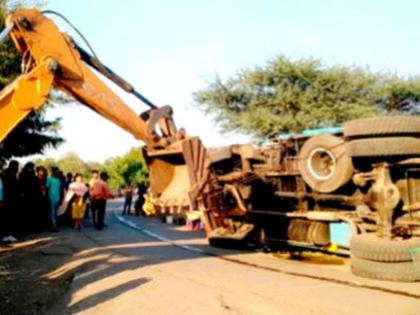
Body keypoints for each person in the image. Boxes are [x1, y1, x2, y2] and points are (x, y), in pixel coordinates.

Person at [2, 160, 20, 242]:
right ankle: (8, 235)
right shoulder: (11, 174)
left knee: (6, 217)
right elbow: (14, 186)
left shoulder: (4, 173)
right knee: (10, 217)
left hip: (6, 198)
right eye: (17, 166)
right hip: (10, 198)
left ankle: (6, 234)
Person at [46, 166, 62, 232]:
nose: (57, 172)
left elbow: (59, 189)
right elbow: (46, 188)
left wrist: (60, 198)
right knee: (52, 213)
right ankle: (54, 227)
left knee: (55, 213)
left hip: (57, 199)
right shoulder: (49, 179)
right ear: (53, 172)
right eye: (56, 171)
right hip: (51, 198)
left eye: (58, 171)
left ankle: (55, 225)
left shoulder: (58, 180)